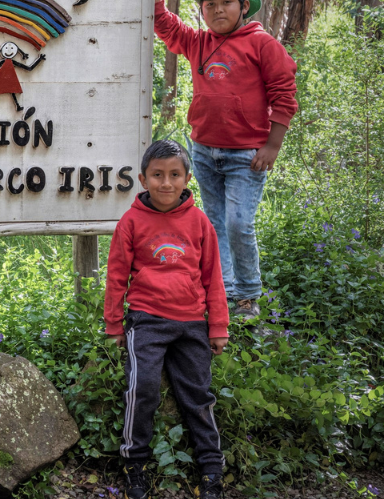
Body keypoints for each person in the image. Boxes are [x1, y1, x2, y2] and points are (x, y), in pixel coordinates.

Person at [150, 0, 298, 318]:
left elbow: (285, 95)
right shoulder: (198, 43)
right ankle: (226, 291)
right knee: (215, 225)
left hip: (246, 155)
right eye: (209, 4)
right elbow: (164, 24)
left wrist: (273, 146)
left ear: (243, 6)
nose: (217, 10)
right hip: (203, 151)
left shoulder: (262, 44)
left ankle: (248, 295)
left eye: (226, 2)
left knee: (238, 223)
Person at [104, 140, 229, 499]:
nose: (166, 183)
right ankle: (134, 465)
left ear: (187, 178)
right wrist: (114, 324)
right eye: (157, 175)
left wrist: (218, 326)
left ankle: (210, 469)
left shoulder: (199, 222)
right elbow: (116, 276)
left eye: (175, 175)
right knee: (141, 389)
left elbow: (213, 276)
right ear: (143, 179)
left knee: (198, 395)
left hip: (192, 323)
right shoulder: (131, 222)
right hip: (146, 321)